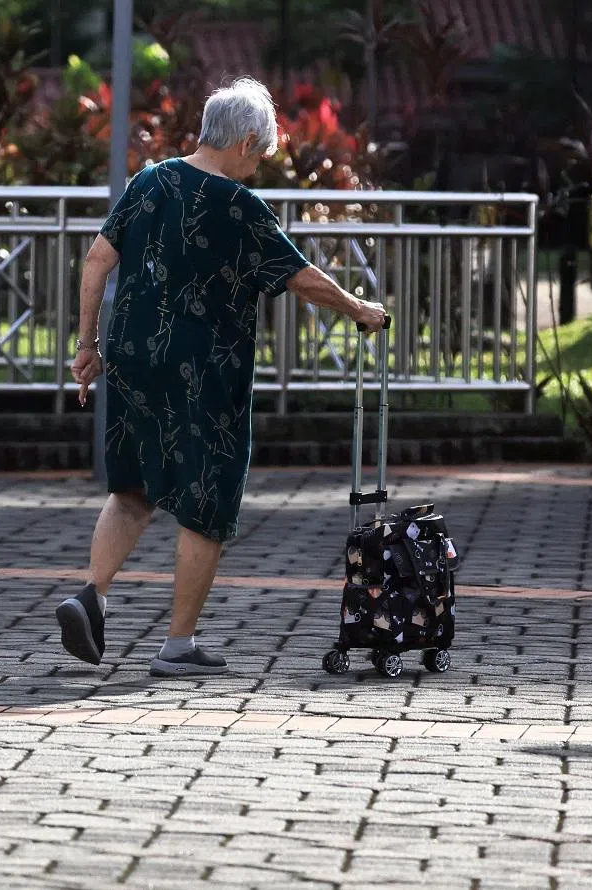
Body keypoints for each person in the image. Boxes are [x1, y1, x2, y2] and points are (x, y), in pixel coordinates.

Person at [56, 77, 387, 678]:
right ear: (241, 141)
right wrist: (360, 309)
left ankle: (92, 597)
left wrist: (88, 345)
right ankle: (178, 647)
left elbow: (98, 258)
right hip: (204, 375)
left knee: (131, 488)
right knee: (205, 503)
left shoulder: (149, 180)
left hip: (132, 359)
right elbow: (301, 276)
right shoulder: (238, 205)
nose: (259, 163)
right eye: (260, 150)